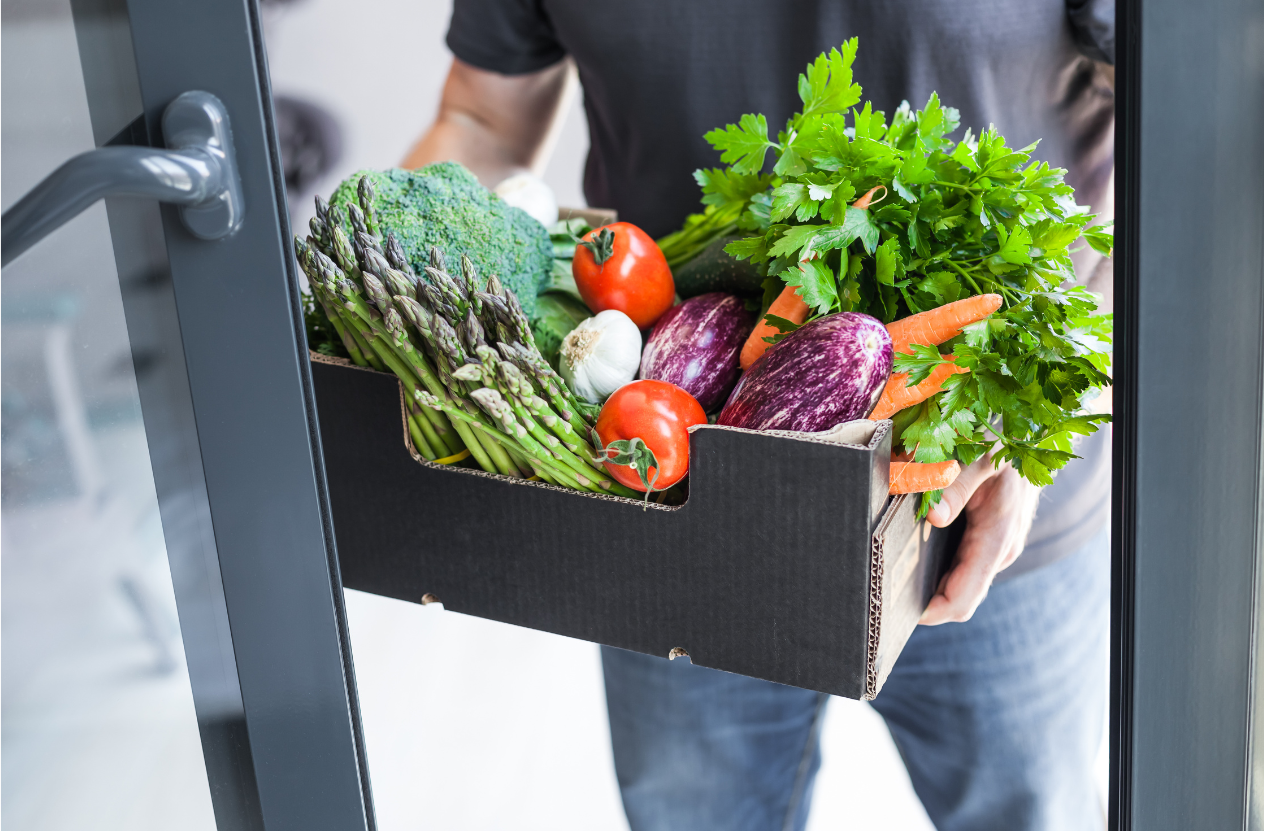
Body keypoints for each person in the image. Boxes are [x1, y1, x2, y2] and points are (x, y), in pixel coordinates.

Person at [405, 3, 1116, 829]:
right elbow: (483, 119)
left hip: (978, 509)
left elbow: (1186, 151)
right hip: (673, 511)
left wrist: (1038, 405)